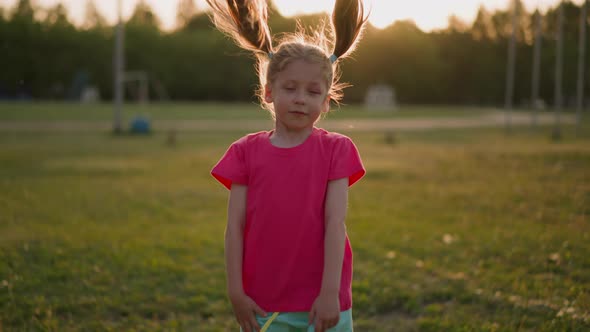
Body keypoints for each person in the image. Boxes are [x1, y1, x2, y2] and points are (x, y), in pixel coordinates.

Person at [208, 0, 368, 331]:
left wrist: (329, 295)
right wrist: (236, 292)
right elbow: (234, 227)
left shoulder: (336, 149)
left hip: (323, 306)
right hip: (264, 306)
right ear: (268, 92)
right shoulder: (245, 152)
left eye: (312, 92)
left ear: (326, 102)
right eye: (289, 88)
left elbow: (335, 225)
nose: (300, 98)